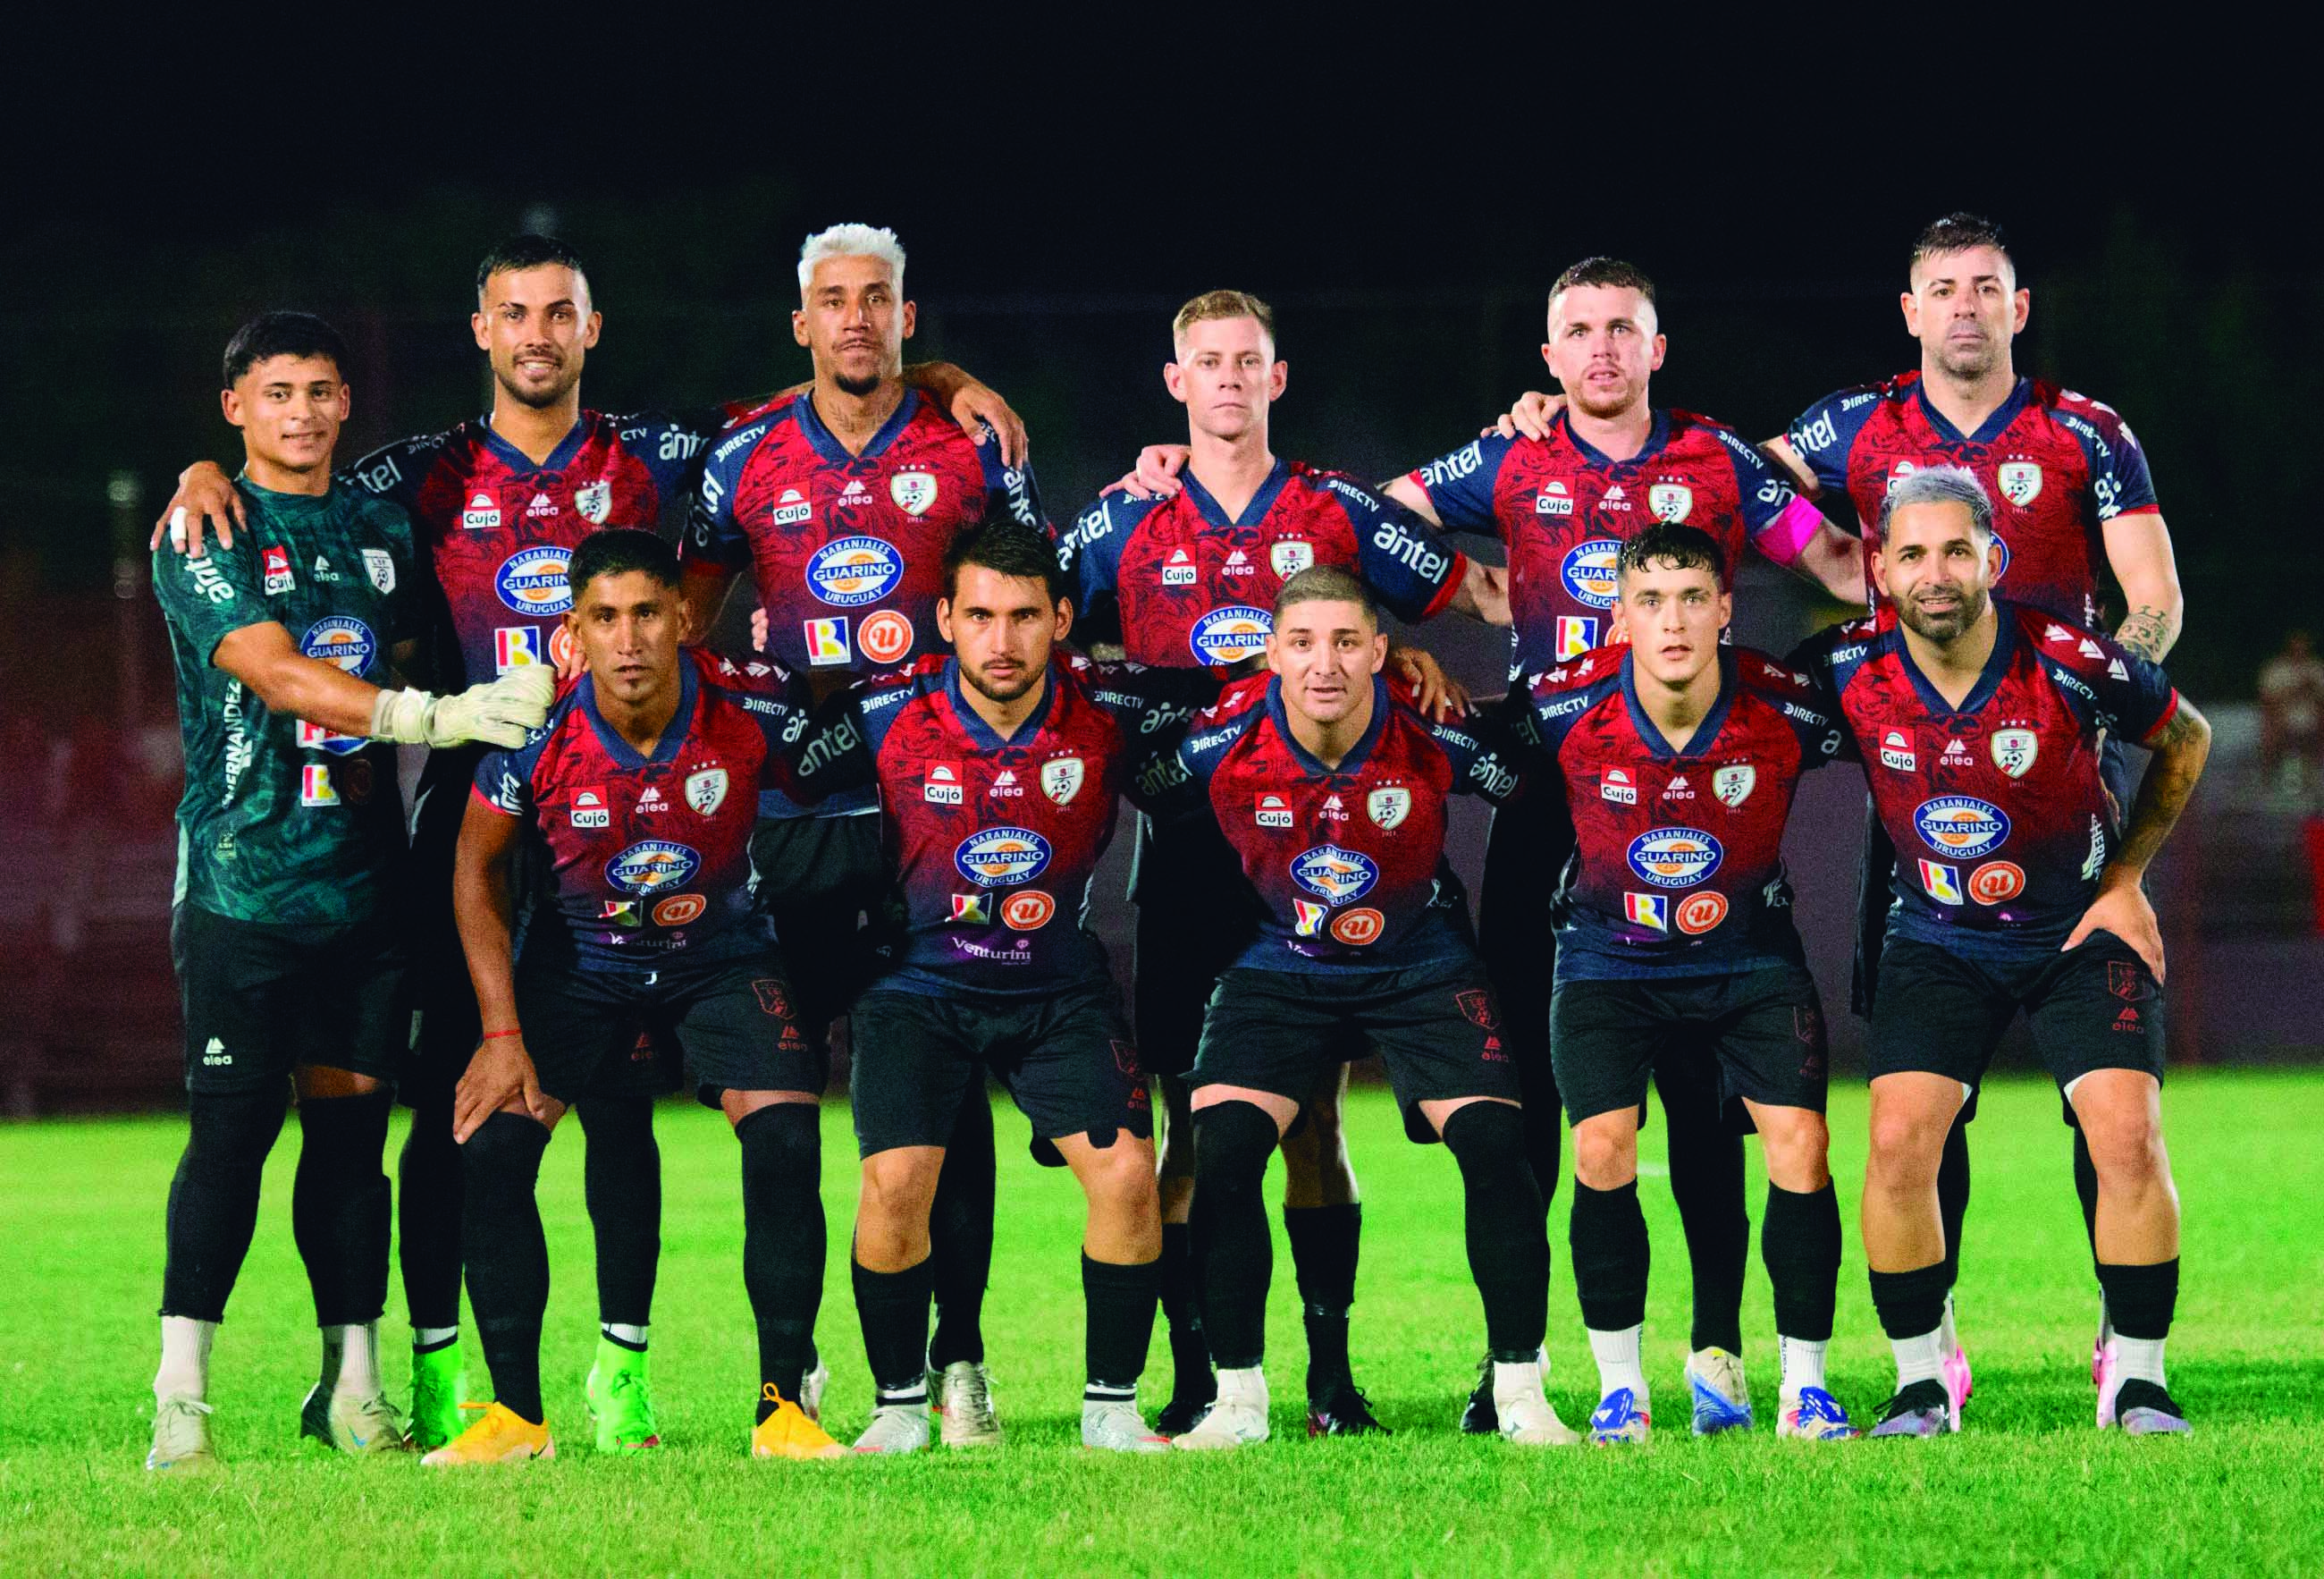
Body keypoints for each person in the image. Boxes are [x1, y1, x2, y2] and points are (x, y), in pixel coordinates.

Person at [151, 234, 1020, 1449]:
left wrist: (943, 378)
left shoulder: (658, 452)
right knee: (465, 1104)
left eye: (560, 313)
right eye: (515, 314)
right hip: (481, 815)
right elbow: (293, 480)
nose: (538, 334)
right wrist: (202, 464)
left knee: (619, 1109)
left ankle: (624, 1372)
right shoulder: (423, 474)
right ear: (483, 334)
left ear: (590, 331)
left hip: (638, 816)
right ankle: (450, 1378)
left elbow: (827, 379)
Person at [1503, 217, 2186, 1416]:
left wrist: (2074, 717)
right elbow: (1717, 483)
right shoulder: (1848, 430)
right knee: (1920, 1098)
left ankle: (2124, 1347)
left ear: (2019, 309)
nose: (1965, 306)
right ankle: (1935, 1340)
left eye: (1986, 288)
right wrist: (1558, 428)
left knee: (2115, 1109)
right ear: (1910, 310)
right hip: (1917, 785)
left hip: (2059, 785)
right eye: (1942, 289)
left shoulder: (2088, 433)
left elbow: (2157, 604)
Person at [1383, 258, 1857, 1433]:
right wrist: (1462, 590)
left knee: (1708, 1097)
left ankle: (1718, 1350)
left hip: (1700, 791)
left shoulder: (1720, 462)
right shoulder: (1513, 456)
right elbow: (1375, 515)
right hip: (1556, 788)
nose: (1599, 349)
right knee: (1542, 1092)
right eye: (1577, 331)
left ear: (1657, 347)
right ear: (1547, 358)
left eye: (1620, 329)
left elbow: (1836, 558)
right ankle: (1524, 1369)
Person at [1055, 289, 1506, 1435]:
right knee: (1196, 1126)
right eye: (1204, 362)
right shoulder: (1120, 521)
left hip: (1330, 847)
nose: (1225, 380)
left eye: (1244, 361)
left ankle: (1329, 1378)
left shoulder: (1334, 508)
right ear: (1174, 382)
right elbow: (1025, 622)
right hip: (1194, 850)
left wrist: (1401, 643)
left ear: (1275, 376)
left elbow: (1489, 587)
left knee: (1316, 1124)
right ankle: (1200, 1378)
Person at [146, 312, 552, 1472]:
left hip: (363, 895)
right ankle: (184, 1394)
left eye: (321, 390)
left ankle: (351, 1386)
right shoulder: (204, 521)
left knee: (349, 1147)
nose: (304, 411)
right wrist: (428, 719)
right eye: (278, 391)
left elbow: (449, 631)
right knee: (229, 1134)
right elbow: (274, 670)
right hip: (242, 887)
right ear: (236, 406)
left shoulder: (382, 523)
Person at [685, 223, 1044, 1444]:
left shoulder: (972, 446)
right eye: (832, 301)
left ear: (906, 317)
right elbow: (688, 619)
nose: (853, 319)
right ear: (801, 323)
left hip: (937, 823)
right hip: (787, 822)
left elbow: (1033, 604)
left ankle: (961, 1364)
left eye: (875, 300)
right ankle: (791, 1381)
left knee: (945, 1098)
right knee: (781, 1105)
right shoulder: (744, 456)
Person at [779, 514, 1217, 1452]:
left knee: (1129, 1173)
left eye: (1024, 616)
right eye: (979, 615)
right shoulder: (881, 708)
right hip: (913, 988)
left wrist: (1402, 676)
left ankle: (1110, 1409)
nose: (1001, 639)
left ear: (1062, 618)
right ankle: (899, 1405)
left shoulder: (1110, 704)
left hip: (1058, 984)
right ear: (943, 616)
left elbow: (1253, 699)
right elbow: (764, 770)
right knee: (895, 1180)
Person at [1790, 468, 2210, 1437]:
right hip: (1936, 938)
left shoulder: (2068, 658)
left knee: (2123, 1131)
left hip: (2073, 931)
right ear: (1880, 573)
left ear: (1993, 557)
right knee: (1897, 1142)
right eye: (1910, 554)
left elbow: (2182, 737)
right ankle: (1923, 1376)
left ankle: (2135, 1377)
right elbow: (1738, 723)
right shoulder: (1842, 665)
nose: (1934, 572)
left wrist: (2124, 881)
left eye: (1953, 549)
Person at [428, 528, 841, 1465]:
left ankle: (784, 1407)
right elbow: (474, 869)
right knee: (490, 1144)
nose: (628, 638)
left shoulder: (754, 705)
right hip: (581, 960)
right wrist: (500, 1029)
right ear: (572, 629)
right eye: (604, 618)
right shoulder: (533, 732)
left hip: (721, 950)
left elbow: (855, 782)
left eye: (646, 613)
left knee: (784, 1132)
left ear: (683, 616)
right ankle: (516, 1416)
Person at [1147, 566, 1573, 1450]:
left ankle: (1521, 1390)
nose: (1323, 663)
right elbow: (1130, 775)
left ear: (1382, 653)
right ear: (1269, 655)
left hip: (1420, 959)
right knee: (1220, 1149)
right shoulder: (1214, 741)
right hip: (1278, 961)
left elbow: (1537, 791)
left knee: (1497, 1146)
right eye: (1301, 643)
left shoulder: (1433, 730)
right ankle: (1236, 1401)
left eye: (1346, 641)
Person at [1517, 523, 1857, 1443]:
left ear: (1723, 610)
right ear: (1618, 617)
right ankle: (1618, 1390)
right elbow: (1431, 747)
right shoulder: (1557, 704)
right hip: (1605, 960)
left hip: (1746, 957)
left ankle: (1803, 1389)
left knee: (1801, 1144)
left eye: (1691, 598)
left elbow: (1901, 732)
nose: (1672, 621)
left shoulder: (1784, 705)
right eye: (1649, 601)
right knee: (1599, 1149)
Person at [2259, 630, 2324, 806]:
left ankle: (2316, 779)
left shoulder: (2317, 669)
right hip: (2282, 721)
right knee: (2270, 728)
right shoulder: (2276, 669)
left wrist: (2311, 691)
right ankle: (2267, 784)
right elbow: (2268, 701)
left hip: (2312, 721)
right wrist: (2296, 691)